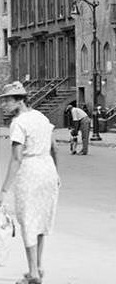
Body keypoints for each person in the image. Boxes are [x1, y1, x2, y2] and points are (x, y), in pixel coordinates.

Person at [0, 81, 60, 284]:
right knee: (41, 221)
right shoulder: (42, 117)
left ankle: (33, 273)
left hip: (30, 171)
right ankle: (38, 267)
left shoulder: (18, 122)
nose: (4, 105)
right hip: (48, 170)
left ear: (20, 100)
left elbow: (16, 158)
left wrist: (4, 188)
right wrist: (56, 174)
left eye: (7, 100)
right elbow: (54, 148)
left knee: (28, 222)